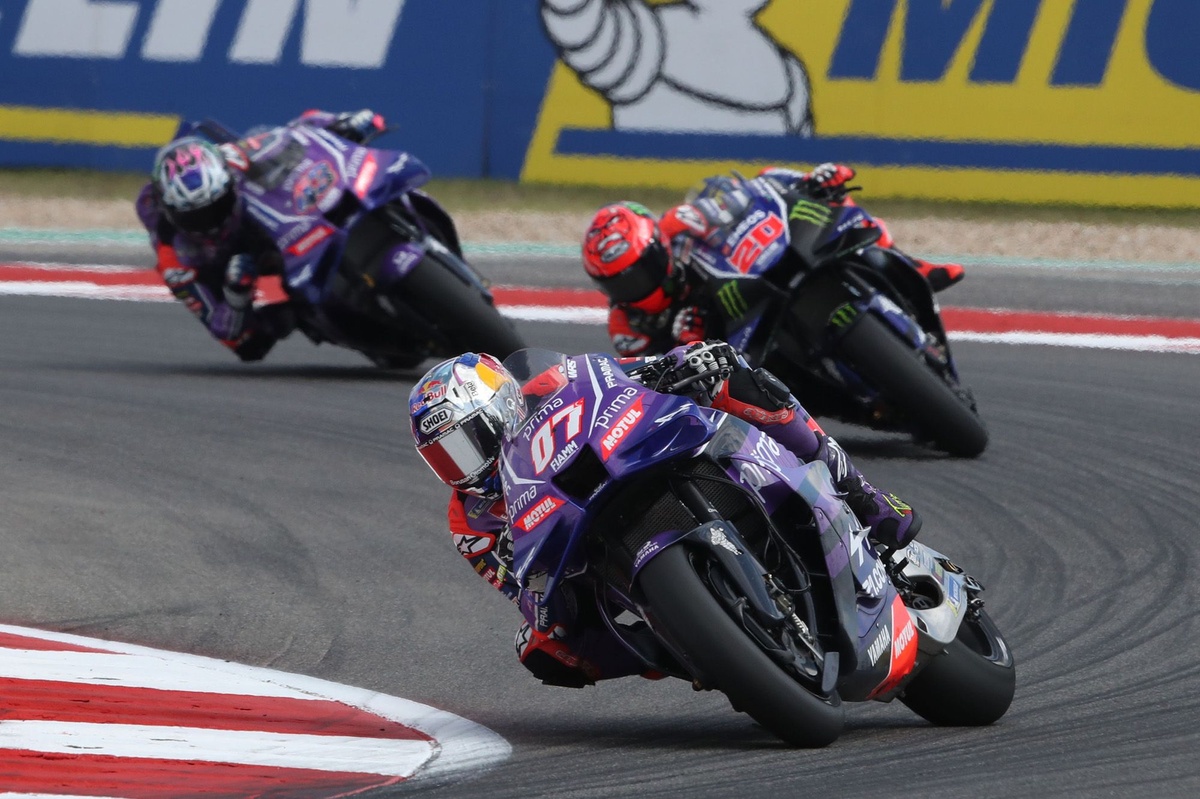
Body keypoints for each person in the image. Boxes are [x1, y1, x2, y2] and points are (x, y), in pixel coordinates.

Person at [409, 340, 920, 688]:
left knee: (734, 378)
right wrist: (535, 600)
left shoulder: (550, 381)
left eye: (466, 443)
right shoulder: (470, 521)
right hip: (584, 556)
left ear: (502, 408)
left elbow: (620, 374)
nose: (462, 466)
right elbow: (519, 591)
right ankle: (698, 650)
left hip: (635, 455)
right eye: (444, 458)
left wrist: (681, 362)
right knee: (543, 650)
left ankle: (863, 495)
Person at [583, 163, 965, 357]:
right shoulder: (626, 329)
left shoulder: (677, 224)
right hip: (738, 358)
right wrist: (682, 347)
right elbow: (655, 391)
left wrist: (809, 184)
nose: (635, 287)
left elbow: (741, 195)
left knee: (796, 188)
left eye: (640, 271)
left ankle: (909, 264)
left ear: (658, 248)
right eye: (619, 283)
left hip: (750, 282)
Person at [134, 109, 386, 361]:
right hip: (232, 260)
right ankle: (316, 317)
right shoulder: (175, 260)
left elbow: (297, 132)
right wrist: (235, 298)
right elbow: (225, 331)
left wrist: (341, 123)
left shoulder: (234, 160)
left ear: (228, 182)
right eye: (194, 217)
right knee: (250, 345)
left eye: (216, 208)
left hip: (267, 220)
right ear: (170, 214)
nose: (208, 224)